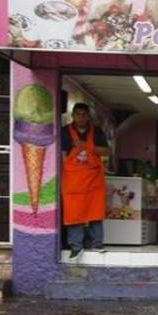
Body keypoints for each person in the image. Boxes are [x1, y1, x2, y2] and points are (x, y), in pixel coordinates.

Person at [61, 103, 109, 260]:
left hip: (94, 179)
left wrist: (88, 147)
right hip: (73, 180)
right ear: (73, 115)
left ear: (88, 116)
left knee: (95, 211)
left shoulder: (97, 132)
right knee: (74, 212)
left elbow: (107, 151)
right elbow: (61, 155)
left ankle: (97, 243)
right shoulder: (65, 132)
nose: (81, 118)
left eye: (84, 114)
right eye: (78, 114)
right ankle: (76, 246)